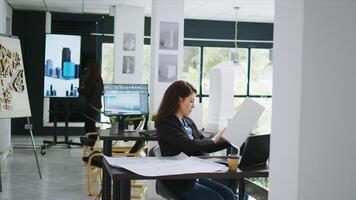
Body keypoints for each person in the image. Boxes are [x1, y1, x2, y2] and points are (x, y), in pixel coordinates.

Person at [156, 80, 236, 200]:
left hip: (195, 176)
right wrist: (214, 139)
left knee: (229, 195)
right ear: (179, 100)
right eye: (191, 101)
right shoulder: (165, 123)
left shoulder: (188, 121)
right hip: (179, 182)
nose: (193, 106)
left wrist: (231, 138)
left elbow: (204, 144)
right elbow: (190, 145)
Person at [79, 59, 103, 135]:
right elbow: (101, 91)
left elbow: (87, 92)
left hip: (90, 106)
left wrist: (80, 90)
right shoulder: (99, 78)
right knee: (92, 125)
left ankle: (91, 143)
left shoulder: (90, 78)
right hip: (97, 106)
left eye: (88, 66)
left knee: (89, 127)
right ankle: (93, 143)